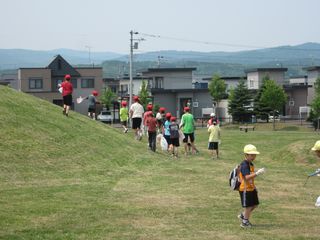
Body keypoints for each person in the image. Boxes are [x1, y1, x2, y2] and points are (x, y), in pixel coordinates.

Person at [238, 144, 265, 228]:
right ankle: (244, 222)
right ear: (246, 155)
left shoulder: (251, 164)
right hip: (245, 189)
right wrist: (257, 173)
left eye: (255, 155)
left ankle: (243, 215)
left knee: (255, 204)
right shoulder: (244, 165)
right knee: (248, 206)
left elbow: (250, 177)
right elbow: (246, 177)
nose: (253, 157)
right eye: (251, 155)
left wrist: (254, 186)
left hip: (251, 188)